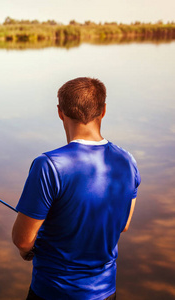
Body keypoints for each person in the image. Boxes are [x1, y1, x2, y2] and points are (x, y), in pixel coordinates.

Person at [12, 77, 141, 300]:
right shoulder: (127, 161)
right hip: (105, 292)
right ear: (103, 110)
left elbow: (23, 240)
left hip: (53, 291)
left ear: (60, 112)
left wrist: (27, 251)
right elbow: (124, 225)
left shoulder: (49, 165)